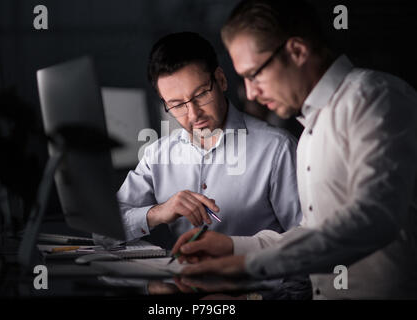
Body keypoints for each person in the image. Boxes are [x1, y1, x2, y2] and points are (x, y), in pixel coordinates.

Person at [172, 0, 417, 299]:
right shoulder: (310, 128)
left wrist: (247, 266)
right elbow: (314, 231)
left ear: (297, 51)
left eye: (254, 74)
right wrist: (234, 247)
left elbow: (373, 218)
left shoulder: (375, 98)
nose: (250, 93)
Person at [94, 32, 302, 249]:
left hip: (257, 281)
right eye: (176, 104)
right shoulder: (158, 155)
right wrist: (158, 213)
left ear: (221, 80)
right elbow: (103, 232)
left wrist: (235, 250)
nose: (193, 114)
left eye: (201, 95)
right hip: (183, 281)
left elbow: (307, 241)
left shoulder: (277, 149)